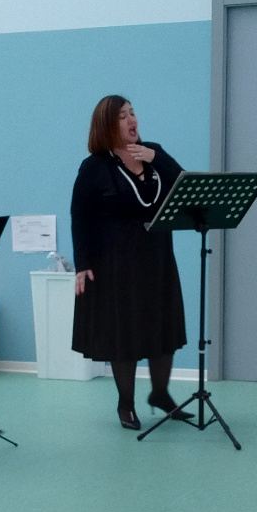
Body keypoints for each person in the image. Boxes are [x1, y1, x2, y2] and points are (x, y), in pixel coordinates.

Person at [70, 95, 188, 430]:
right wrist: (82, 263)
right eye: (123, 116)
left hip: (158, 259)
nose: (132, 120)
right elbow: (80, 217)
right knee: (125, 334)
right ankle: (126, 403)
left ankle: (161, 394)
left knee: (162, 328)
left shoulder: (154, 153)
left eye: (133, 113)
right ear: (108, 125)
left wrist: (155, 158)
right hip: (115, 264)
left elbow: (183, 184)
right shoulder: (94, 167)